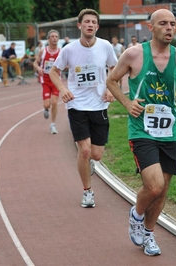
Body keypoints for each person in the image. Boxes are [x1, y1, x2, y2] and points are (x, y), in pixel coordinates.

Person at [106, 9, 176, 256]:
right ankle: (136, 215)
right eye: (163, 23)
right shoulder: (134, 54)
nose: (170, 28)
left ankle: (148, 233)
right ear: (151, 27)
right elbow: (111, 80)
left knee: (164, 188)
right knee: (154, 186)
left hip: (168, 130)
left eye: (173, 23)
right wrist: (127, 104)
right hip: (142, 130)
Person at [49, 8, 117, 208]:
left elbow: (114, 67)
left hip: (99, 105)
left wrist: (111, 89)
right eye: (86, 22)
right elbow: (54, 71)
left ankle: (89, 164)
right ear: (79, 25)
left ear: (97, 26)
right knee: (85, 151)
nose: (89, 25)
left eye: (93, 22)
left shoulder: (105, 47)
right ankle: (88, 191)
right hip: (77, 105)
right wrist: (62, 89)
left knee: (96, 154)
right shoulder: (69, 49)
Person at [33, 29, 61, 134]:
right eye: (52, 36)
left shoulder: (61, 52)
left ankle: (53, 125)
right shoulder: (43, 51)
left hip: (56, 81)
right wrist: (39, 68)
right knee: (47, 104)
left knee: (54, 102)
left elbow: (66, 64)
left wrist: (63, 68)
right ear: (48, 39)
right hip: (45, 80)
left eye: (56, 36)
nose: (54, 38)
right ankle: (45, 109)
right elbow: (35, 63)